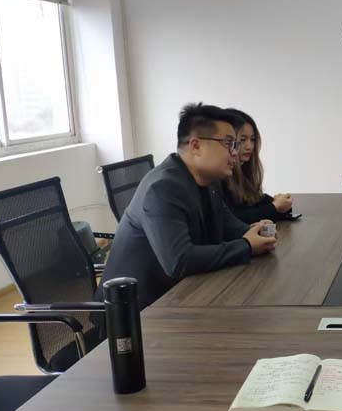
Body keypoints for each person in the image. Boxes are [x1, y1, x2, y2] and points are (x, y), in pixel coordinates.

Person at [98, 103, 277, 310]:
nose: (235, 153)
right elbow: (179, 261)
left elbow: (227, 223)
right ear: (195, 146)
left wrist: (253, 231)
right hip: (134, 311)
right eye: (228, 144)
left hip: (182, 294)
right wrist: (246, 246)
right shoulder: (163, 188)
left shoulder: (209, 181)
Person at [223, 108, 294, 224]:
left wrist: (281, 203)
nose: (249, 146)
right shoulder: (218, 177)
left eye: (252, 139)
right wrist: (275, 207)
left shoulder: (244, 170)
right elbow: (232, 221)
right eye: (243, 140)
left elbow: (256, 202)